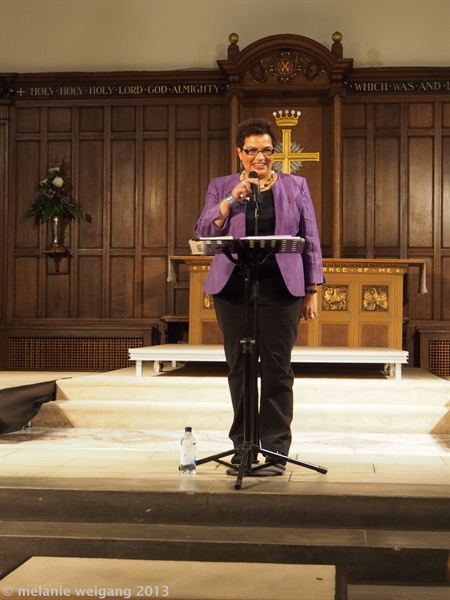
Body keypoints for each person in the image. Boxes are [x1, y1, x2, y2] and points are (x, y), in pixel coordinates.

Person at [194, 118, 324, 468]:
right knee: (240, 367)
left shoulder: (296, 186)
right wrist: (230, 200)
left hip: (281, 288)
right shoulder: (222, 186)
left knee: (278, 370)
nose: (260, 157)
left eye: (267, 150)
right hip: (233, 288)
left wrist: (312, 288)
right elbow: (203, 229)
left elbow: (310, 238)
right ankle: (243, 447)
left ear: (274, 153)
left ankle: (276, 450)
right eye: (252, 151)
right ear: (240, 153)